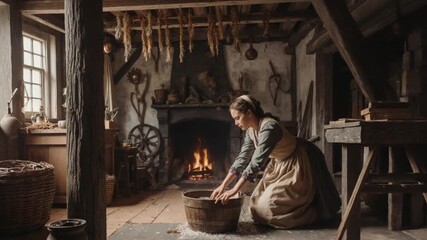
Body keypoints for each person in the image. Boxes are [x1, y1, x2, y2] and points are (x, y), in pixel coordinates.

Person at [210, 95, 340, 229]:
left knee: (269, 210)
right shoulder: (250, 131)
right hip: (278, 166)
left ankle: (314, 212)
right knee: (256, 207)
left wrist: (234, 190)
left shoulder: (269, 127)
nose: (236, 122)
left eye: (237, 118)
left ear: (249, 113)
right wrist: (224, 185)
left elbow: (255, 163)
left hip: (297, 164)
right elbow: (242, 158)